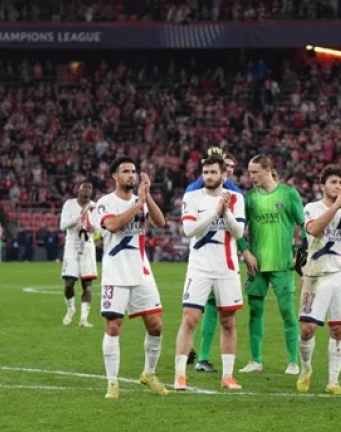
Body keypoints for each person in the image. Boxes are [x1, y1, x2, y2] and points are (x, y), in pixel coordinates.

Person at [93, 156, 169, 399]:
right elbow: (113, 225)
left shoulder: (141, 200)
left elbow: (160, 222)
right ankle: (112, 383)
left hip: (142, 272)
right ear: (114, 176)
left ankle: (149, 373)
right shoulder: (105, 203)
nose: (131, 175)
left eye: (133, 171)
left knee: (156, 325)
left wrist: (147, 198)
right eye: (125, 171)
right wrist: (138, 205)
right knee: (114, 326)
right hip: (116, 274)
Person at [296, 166, 341, 394]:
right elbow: (315, 230)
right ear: (322, 186)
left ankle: (333, 381)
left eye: (340, 183)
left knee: (338, 329)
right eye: (333, 182)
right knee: (308, 329)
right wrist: (335, 207)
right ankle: (306, 368)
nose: (337, 186)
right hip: (316, 275)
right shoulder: (311, 208)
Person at [175, 155, 246, 391]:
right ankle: (180, 375)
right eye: (205, 173)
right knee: (189, 319)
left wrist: (225, 212)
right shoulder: (192, 197)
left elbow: (238, 232)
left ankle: (227, 377)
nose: (208, 177)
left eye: (213, 173)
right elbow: (189, 229)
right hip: (199, 268)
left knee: (228, 322)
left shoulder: (236, 198)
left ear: (223, 174)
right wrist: (215, 212)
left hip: (227, 269)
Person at [238, 155, 305, 375]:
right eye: (249, 172)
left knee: (287, 311)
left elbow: (304, 225)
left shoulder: (288, 194)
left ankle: (293, 362)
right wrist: (246, 253)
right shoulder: (249, 198)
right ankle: (256, 360)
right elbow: (238, 230)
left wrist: (301, 251)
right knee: (255, 312)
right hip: (256, 266)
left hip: (282, 264)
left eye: (255, 172)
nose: (251, 176)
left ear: (268, 169)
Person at [60, 182, 97, 328]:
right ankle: (70, 309)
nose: (88, 189)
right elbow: (62, 226)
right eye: (85, 187)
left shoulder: (95, 207)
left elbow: (100, 229)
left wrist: (92, 227)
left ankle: (83, 319)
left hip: (87, 246)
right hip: (72, 245)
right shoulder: (69, 204)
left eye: (90, 187)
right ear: (79, 189)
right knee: (69, 284)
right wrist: (79, 217)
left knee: (87, 285)